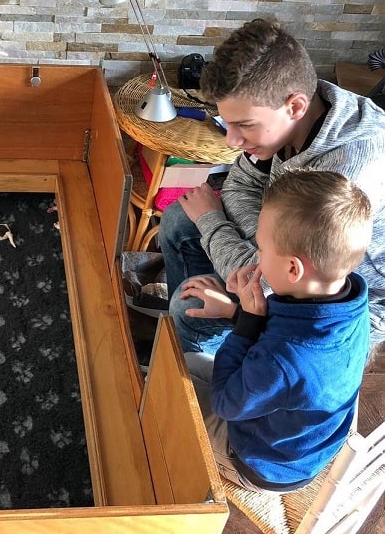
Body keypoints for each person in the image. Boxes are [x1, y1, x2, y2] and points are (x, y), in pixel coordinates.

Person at [157, 18, 385, 361]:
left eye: (244, 126)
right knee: (177, 219)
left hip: (338, 299)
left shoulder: (346, 175)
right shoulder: (299, 113)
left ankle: (204, 376)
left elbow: (270, 279)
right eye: (227, 123)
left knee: (188, 305)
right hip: (283, 245)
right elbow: (240, 183)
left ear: (295, 106)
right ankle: (181, 345)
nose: (232, 141)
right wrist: (256, 239)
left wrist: (214, 223)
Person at [185, 170, 372, 492]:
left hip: (260, 463)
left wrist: (246, 325)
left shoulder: (283, 360)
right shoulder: (349, 296)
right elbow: (287, 344)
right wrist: (238, 311)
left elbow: (226, 403)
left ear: (293, 269)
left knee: (163, 387)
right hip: (301, 443)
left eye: (261, 247)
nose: (257, 256)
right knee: (186, 362)